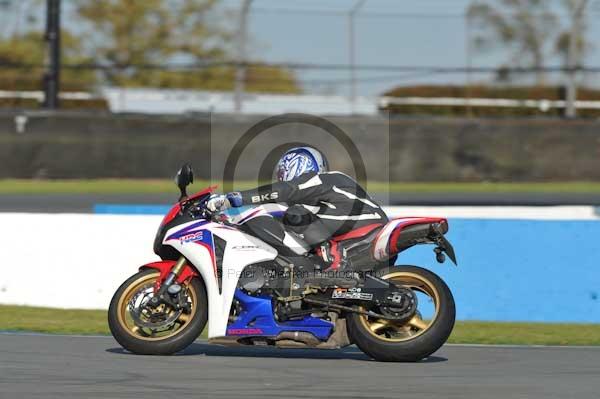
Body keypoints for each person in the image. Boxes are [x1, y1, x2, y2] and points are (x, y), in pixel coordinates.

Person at [207, 146, 388, 271]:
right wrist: (229, 220)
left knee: (294, 214)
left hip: (364, 224)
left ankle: (331, 259)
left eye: (283, 170)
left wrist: (234, 199)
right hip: (356, 234)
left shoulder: (323, 179)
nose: (281, 176)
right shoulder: (319, 196)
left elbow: (285, 191)